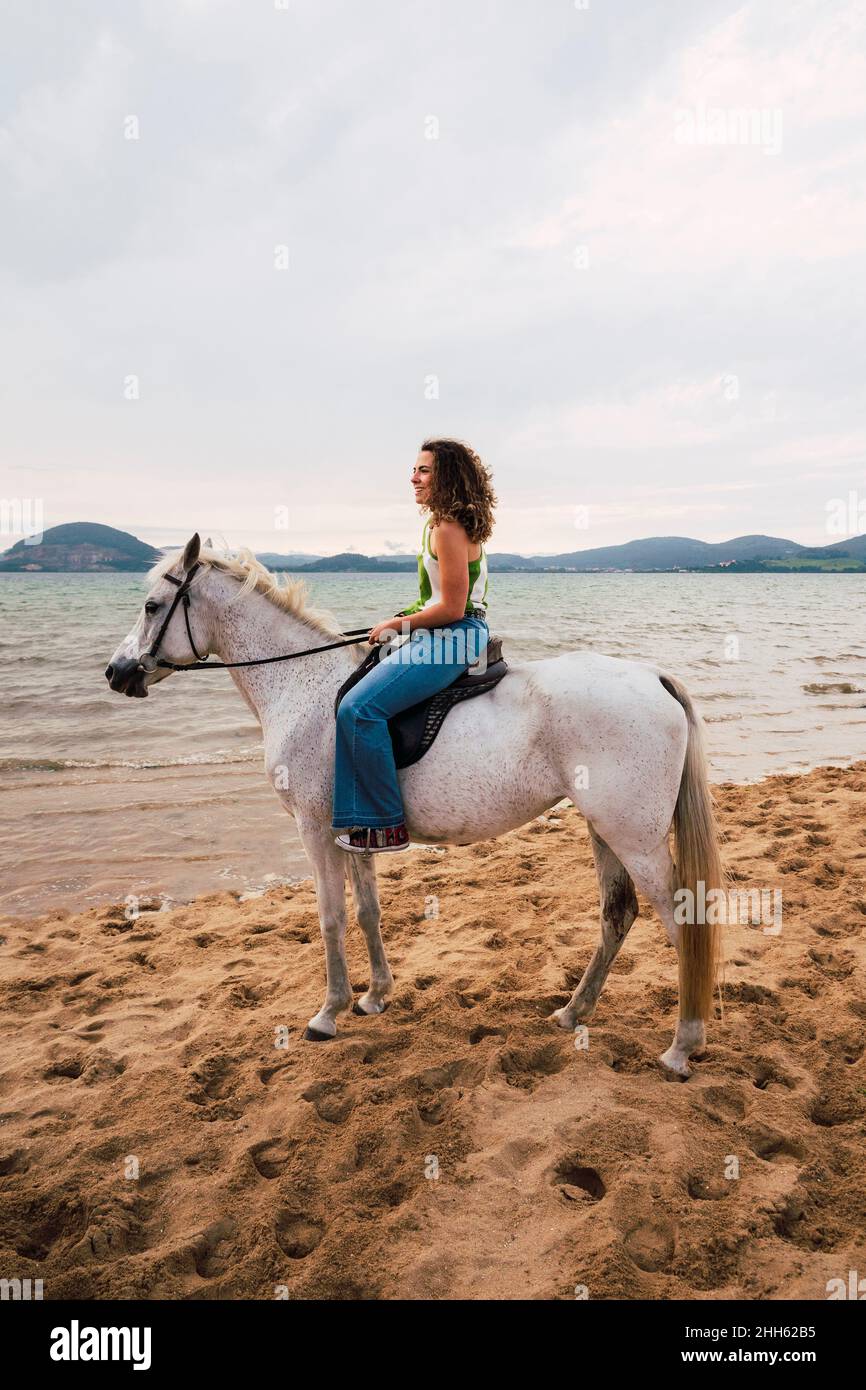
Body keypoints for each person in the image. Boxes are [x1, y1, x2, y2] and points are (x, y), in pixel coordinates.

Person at [332, 438, 496, 853]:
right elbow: (432, 601)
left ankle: (385, 826)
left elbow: (454, 607)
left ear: (447, 477)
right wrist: (396, 620)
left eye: (423, 470)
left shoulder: (447, 528)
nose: (414, 477)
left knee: (359, 708)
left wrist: (400, 624)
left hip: (456, 637)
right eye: (414, 469)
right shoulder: (439, 524)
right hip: (443, 631)